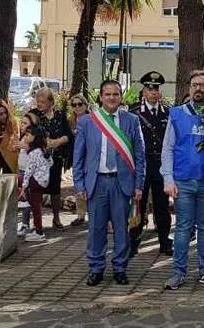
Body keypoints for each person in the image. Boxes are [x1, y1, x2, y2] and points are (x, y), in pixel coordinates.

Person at [73, 80, 145, 286]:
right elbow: (78, 157)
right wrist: (79, 185)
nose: (112, 98)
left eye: (116, 94)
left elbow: (140, 155)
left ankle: (120, 268)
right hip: (97, 183)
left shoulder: (131, 120)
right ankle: (96, 268)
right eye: (108, 94)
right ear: (101, 96)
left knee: (122, 229)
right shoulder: (87, 121)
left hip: (122, 183)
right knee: (96, 228)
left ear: (121, 96)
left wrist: (138, 184)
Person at [161, 70, 204, 290]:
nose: (199, 89)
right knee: (183, 229)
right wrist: (168, 178)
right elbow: (167, 148)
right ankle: (179, 273)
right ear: (189, 87)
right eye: (195, 85)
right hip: (183, 182)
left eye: (203, 85)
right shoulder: (176, 114)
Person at [129, 71, 173, 257]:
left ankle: (164, 241)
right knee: (138, 203)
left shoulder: (168, 112)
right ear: (144, 92)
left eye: (156, 89)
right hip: (142, 164)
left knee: (162, 204)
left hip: (160, 165)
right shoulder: (134, 113)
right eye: (149, 88)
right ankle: (133, 241)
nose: (154, 92)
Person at [30, 88, 72, 228]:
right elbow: (27, 133)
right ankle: (38, 221)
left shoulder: (60, 115)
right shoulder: (33, 115)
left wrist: (58, 141)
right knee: (38, 189)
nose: (39, 104)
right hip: (38, 159)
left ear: (51, 102)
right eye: (38, 101)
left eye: (42, 102)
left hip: (56, 157)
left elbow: (68, 135)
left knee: (55, 188)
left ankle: (56, 218)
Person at [20, 125, 52, 242]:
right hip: (42, 181)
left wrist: (23, 186)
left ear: (34, 137)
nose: (25, 136)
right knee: (35, 206)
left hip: (35, 182)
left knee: (35, 207)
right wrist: (43, 171)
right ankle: (37, 230)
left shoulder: (33, 153)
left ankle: (39, 232)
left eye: (28, 135)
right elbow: (50, 162)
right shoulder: (42, 150)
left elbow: (29, 171)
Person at [16, 112, 39, 236]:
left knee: (31, 199)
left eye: (25, 123)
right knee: (24, 198)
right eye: (22, 122)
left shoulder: (33, 137)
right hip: (21, 170)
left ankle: (34, 226)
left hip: (30, 172)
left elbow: (37, 151)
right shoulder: (23, 136)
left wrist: (25, 147)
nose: (22, 125)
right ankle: (25, 224)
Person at [69, 94, 90, 226]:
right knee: (78, 183)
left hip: (89, 156)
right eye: (74, 105)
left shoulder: (92, 119)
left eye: (79, 104)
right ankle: (80, 215)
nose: (77, 107)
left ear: (85, 105)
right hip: (76, 156)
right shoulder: (70, 121)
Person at [0, 99, 19, 174]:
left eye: (5, 112)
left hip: (10, 163)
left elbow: (13, 146)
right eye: (0, 114)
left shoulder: (11, 123)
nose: (4, 116)